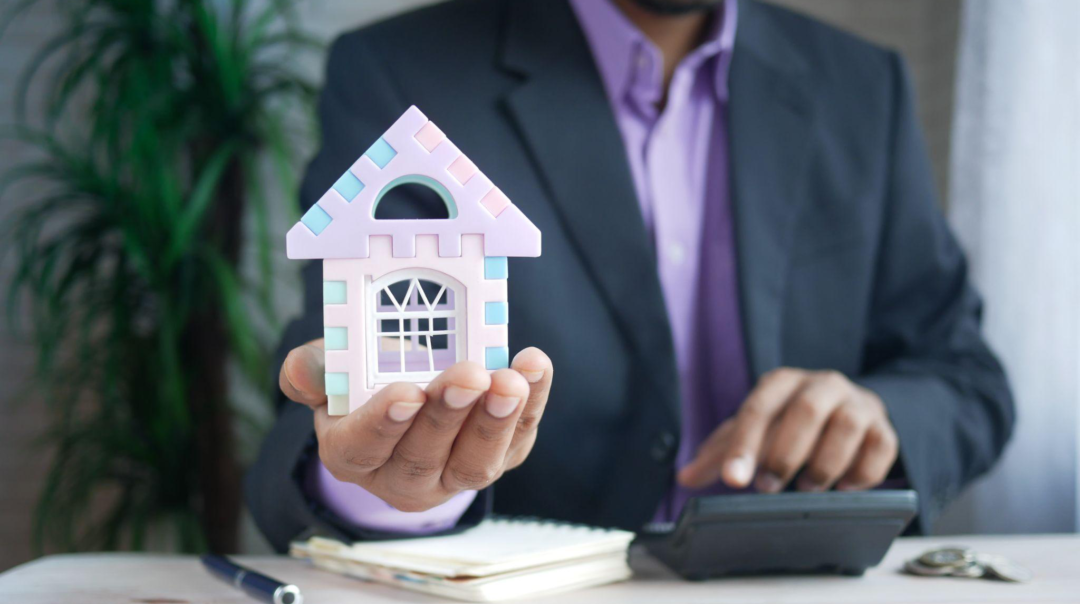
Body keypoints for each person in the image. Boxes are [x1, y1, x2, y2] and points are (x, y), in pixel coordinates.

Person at [245, 0, 1014, 551]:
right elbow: (334, 392)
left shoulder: (862, 87)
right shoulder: (400, 75)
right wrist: (390, 487)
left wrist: (877, 417)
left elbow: (965, 377)